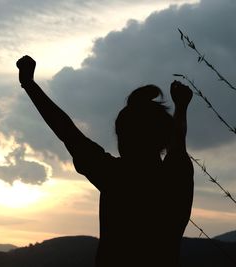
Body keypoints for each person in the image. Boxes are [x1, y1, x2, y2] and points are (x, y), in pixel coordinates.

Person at [16, 55, 194, 266]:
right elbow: (178, 139)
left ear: (123, 138)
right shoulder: (177, 174)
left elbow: (66, 130)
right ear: (163, 140)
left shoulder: (115, 176)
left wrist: (29, 84)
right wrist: (181, 107)